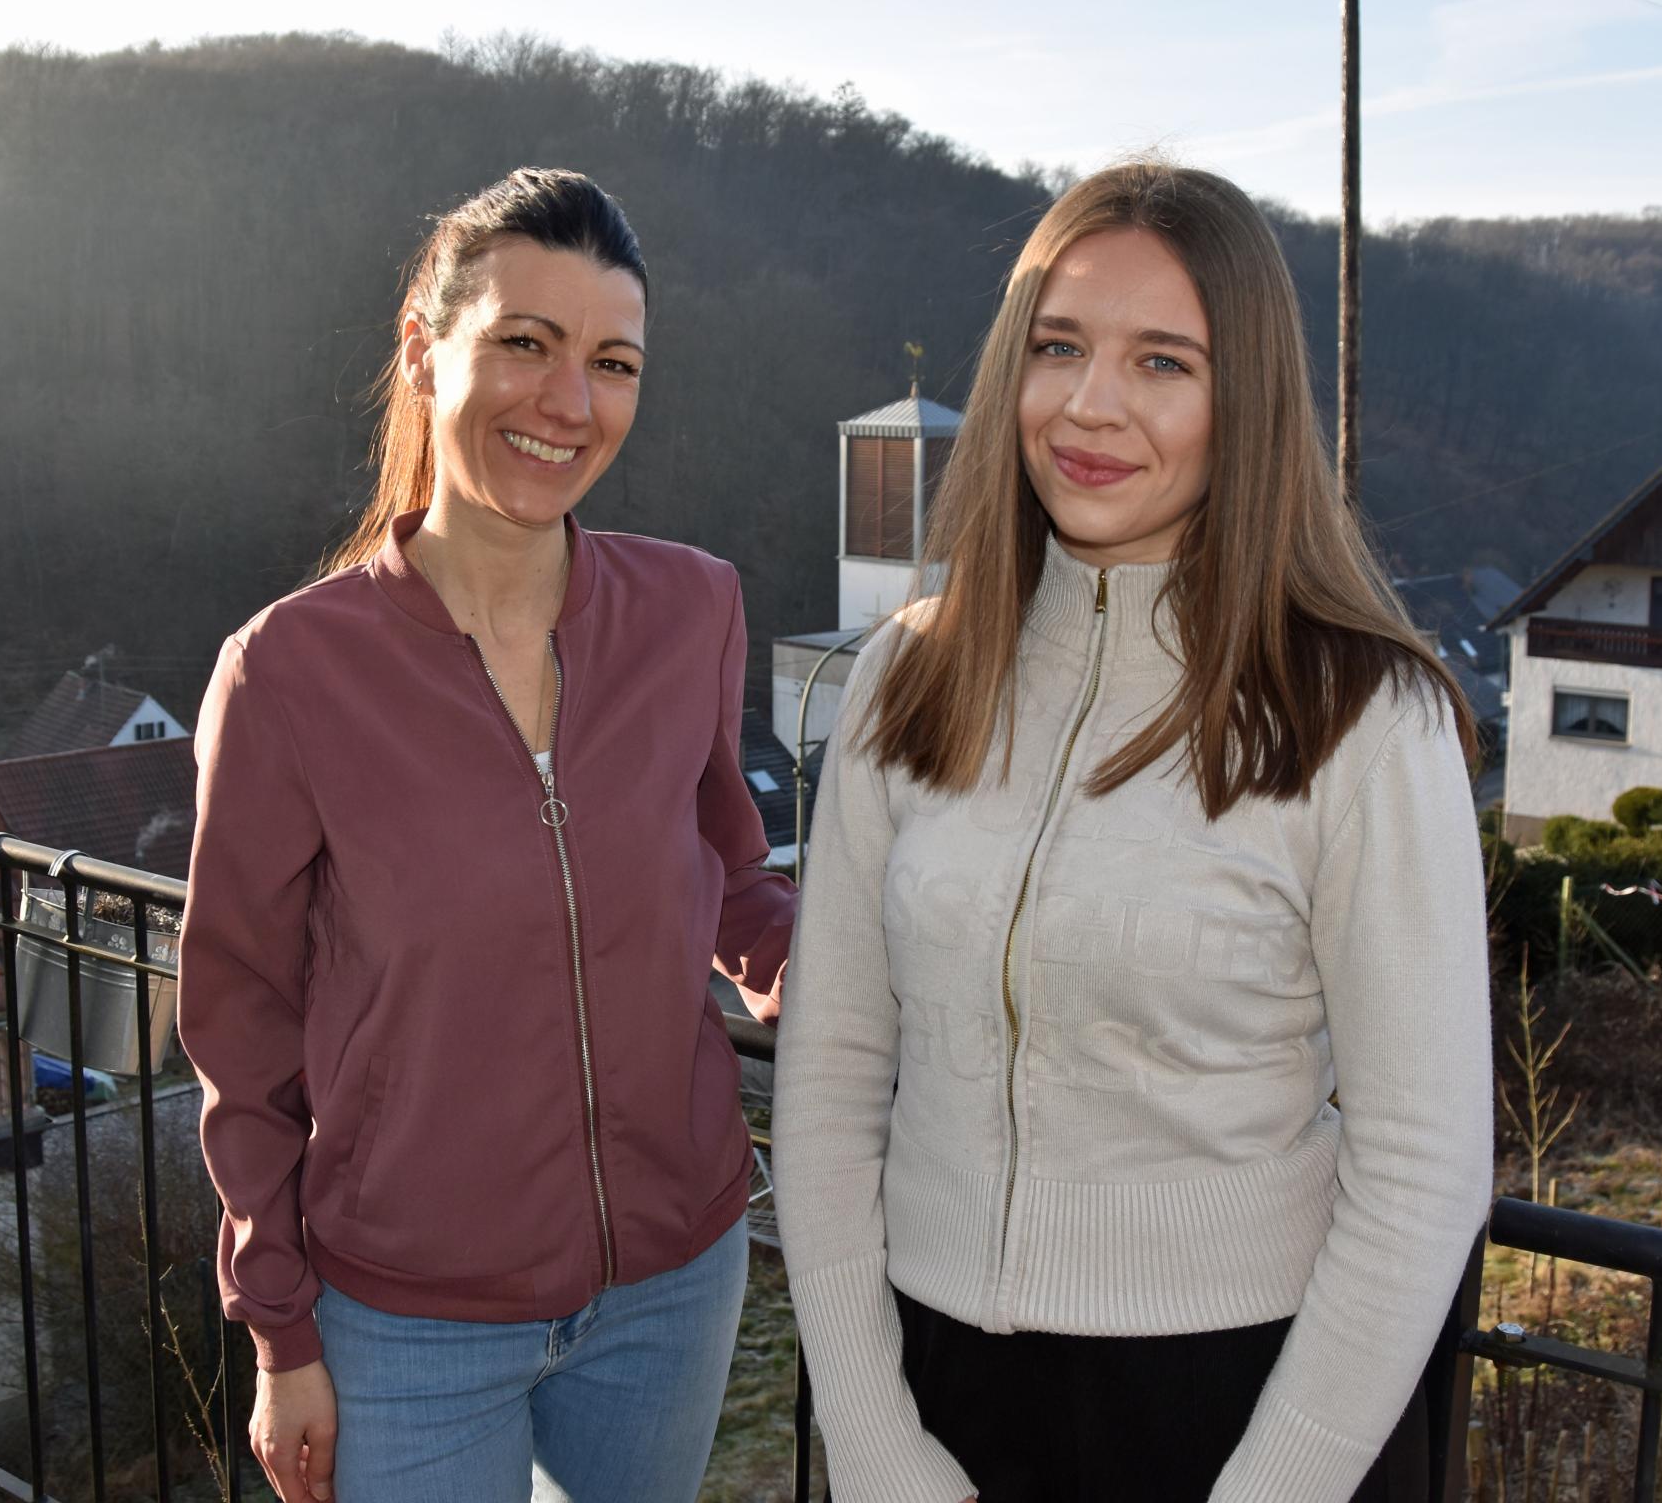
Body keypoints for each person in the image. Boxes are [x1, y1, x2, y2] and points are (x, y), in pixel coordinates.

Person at [771, 162, 1493, 1503]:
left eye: (1164, 361)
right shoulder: (909, 673)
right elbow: (827, 1087)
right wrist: (869, 1439)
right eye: (1059, 347)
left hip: (1249, 1414)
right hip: (934, 1404)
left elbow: (1424, 1168)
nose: (1091, 406)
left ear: (1246, 404)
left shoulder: (1355, 713)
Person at [180, 167, 794, 1503]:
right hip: (405, 1322)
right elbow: (238, 1022)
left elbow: (732, 869)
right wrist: (280, 1327)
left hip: (674, 1284)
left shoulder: (693, 610)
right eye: (525, 343)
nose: (569, 404)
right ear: (424, 350)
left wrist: (818, 965)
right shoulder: (290, 672)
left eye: (611, 362)